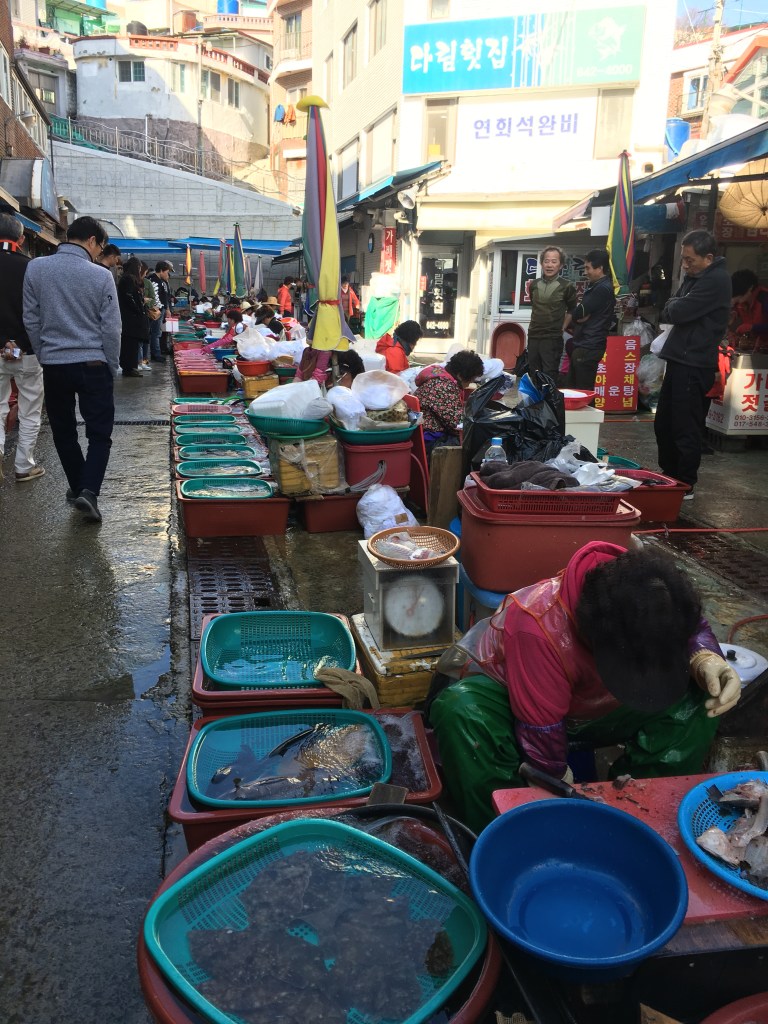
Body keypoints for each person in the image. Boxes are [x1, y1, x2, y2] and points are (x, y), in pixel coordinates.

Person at [426, 540, 742, 833]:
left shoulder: (645, 583)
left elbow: (687, 623)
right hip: (521, 708)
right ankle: (502, 832)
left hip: (595, 709)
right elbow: (541, 729)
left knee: (701, 697)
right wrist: (560, 784)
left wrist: (705, 655)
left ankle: (642, 817)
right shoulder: (538, 625)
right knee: (462, 711)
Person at [23, 215, 121, 522]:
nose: (99, 253)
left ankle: (79, 487)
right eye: (100, 247)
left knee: (63, 431)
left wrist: (44, 354)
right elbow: (111, 328)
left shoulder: (36, 268)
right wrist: (112, 364)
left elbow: (31, 318)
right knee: (100, 433)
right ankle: (88, 490)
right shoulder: (101, 275)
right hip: (93, 363)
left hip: (54, 364)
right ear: (92, 241)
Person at [654, 230, 731, 498]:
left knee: (685, 425)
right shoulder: (694, 278)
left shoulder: (716, 280)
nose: (685, 265)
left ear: (708, 258)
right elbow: (670, 308)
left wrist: (677, 305)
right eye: (683, 260)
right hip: (679, 358)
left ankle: (685, 483)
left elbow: (677, 311)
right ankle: (670, 474)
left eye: (690, 260)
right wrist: (676, 304)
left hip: (695, 362)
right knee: (664, 422)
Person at [0, 214, 45, 482]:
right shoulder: (31, 268)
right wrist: (18, 342)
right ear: (22, 238)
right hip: (26, 351)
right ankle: (23, 466)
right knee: (30, 410)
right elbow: (39, 312)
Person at [415, 350, 484, 458]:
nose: (470, 384)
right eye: (471, 379)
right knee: (476, 444)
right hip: (430, 438)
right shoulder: (444, 386)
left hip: (423, 433)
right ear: (461, 375)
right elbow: (456, 424)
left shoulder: (439, 376)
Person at [564, 248, 616, 390]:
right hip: (586, 344)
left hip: (589, 345)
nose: (585, 272)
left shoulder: (601, 289)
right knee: (574, 389)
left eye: (588, 268)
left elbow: (578, 313)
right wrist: (580, 316)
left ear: (600, 268)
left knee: (583, 390)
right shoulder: (597, 286)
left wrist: (579, 316)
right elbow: (580, 314)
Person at [526, 246, 577, 380]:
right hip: (533, 334)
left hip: (552, 337)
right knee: (534, 372)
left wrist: (563, 327)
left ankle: (549, 395)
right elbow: (535, 305)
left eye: (554, 262)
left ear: (561, 265)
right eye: (546, 261)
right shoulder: (534, 284)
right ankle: (535, 394)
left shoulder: (567, 286)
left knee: (549, 373)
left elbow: (572, 309)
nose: (549, 265)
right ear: (541, 263)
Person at [117, 257, 149, 378]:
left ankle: (130, 367)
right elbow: (128, 297)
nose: (140, 270)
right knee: (130, 344)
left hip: (129, 318)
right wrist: (138, 309)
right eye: (139, 267)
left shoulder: (127, 278)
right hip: (130, 319)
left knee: (131, 344)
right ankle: (129, 367)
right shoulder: (128, 279)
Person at [729, 268, 768, 353]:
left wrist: (752, 327)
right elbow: (733, 314)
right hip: (754, 347)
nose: (735, 300)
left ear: (750, 288)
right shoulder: (743, 301)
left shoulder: (764, 298)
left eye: (738, 297)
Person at [146, 260, 174, 363]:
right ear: (161, 271)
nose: (167, 275)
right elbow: (155, 297)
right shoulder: (154, 280)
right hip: (156, 311)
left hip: (158, 310)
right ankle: (156, 354)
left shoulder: (159, 280)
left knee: (156, 332)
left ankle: (156, 353)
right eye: (167, 272)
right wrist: (160, 308)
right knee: (156, 333)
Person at [139, 262, 159, 371]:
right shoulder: (131, 281)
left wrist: (147, 304)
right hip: (136, 314)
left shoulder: (147, 282)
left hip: (146, 313)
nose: (145, 274)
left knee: (145, 337)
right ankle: (137, 361)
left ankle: (144, 360)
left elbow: (152, 297)